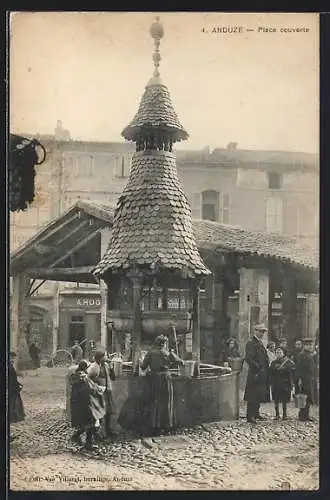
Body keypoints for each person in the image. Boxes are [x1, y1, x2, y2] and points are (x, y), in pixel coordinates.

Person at [140, 335, 184, 436]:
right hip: (165, 378)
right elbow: (180, 362)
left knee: (155, 402)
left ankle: (155, 426)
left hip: (154, 379)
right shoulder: (168, 353)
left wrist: (140, 361)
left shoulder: (150, 353)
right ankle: (166, 426)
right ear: (164, 344)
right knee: (166, 402)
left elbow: (143, 367)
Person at [70, 359, 106, 450]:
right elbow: (90, 388)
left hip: (78, 404)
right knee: (91, 422)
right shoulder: (83, 378)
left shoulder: (76, 376)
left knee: (86, 422)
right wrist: (100, 389)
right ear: (85, 368)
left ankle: (77, 436)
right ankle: (88, 443)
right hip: (85, 403)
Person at [243, 324, 270, 424]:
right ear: (255, 331)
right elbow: (248, 358)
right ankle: (250, 416)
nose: (262, 333)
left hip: (262, 372)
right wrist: (258, 367)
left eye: (263, 332)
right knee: (252, 395)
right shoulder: (251, 343)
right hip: (255, 373)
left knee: (259, 394)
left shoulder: (260, 343)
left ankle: (256, 413)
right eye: (260, 331)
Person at [87, 349, 117, 441]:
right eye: (105, 356)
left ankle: (108, 430)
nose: (107, 357)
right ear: (101, 358)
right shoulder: (94, 367)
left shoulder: (106, 365)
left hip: (107, 391)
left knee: (108, 412)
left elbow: (113, 377)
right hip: (99, 393)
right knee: (99, 413)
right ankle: (98, 434)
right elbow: (87, 378)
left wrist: (112, 368)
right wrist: (95, 387)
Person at [269, 346, 295, 420]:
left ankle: (284, 415)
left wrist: (291, 384)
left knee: (284, 400)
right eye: (277, 352)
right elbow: (270, 373)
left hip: (285, 384)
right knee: (276, 400)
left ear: (283, 353)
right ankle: (277, 414)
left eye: (280, 352)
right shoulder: (273, 363)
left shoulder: (288, 362)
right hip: (276, 384)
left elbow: (291, 373)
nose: (278, 354)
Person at [294, 338, 316, 422]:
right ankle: (302, 415)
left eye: (310, 345)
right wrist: (299, 379)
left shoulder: (309, 355)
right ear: (304, 346)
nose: (310, 346)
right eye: (308, 345)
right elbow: (298, 368)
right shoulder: (302, 355)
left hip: (309, 378)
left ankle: (306, 415)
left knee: (309, 397)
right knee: (303, 397)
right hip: (303, 379)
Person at [9, 351, 25, 423]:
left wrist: (18, 383)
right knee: (13, 403)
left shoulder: (10, 366)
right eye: (11, 358)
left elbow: (13, 377)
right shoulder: (9, 366)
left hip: (14, 386)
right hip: (12, 388)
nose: (13, 360)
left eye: (14, 359)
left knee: (15, 402)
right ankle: (12, 418)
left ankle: (15, 417)